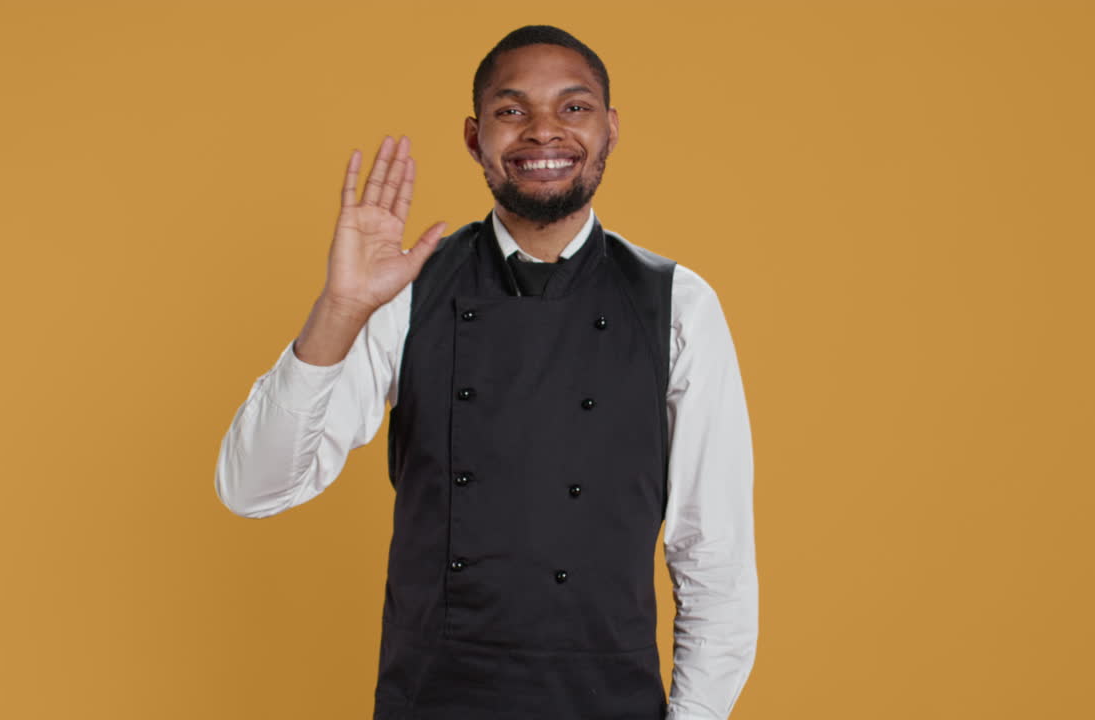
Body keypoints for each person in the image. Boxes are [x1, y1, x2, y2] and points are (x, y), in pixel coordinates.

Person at [215, 24, 757, 720]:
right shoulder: (404, 292)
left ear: (611, 129)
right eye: (512, 111)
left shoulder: (679, 304)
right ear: (474, 138)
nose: (543, 133)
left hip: (610, 703)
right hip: (434, 701)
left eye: (573, 107)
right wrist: (341, 308)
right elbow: (252, 488)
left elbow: (713, 556)